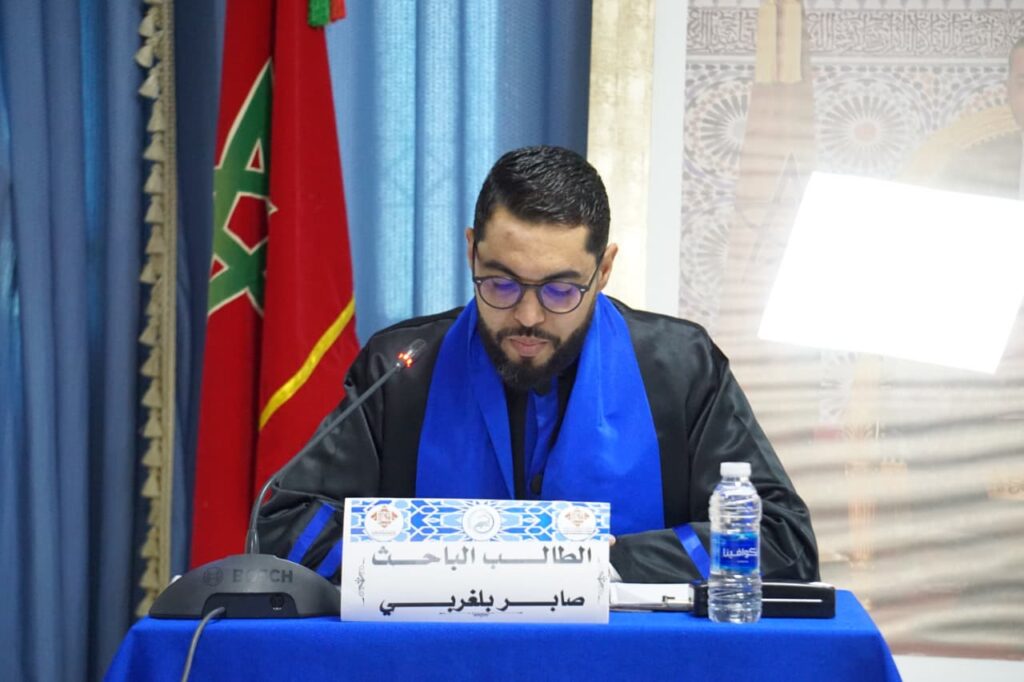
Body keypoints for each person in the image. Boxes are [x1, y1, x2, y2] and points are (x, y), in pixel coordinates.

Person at [258, 145, 819, 584]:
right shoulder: (402, 370)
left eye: (560, 290)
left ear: (603, 270)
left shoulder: (680, 368)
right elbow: (286, 524)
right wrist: (443, 562)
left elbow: (781, 540)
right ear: (471, 251)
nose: (527, 317)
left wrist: (602, 565)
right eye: (501, 283)